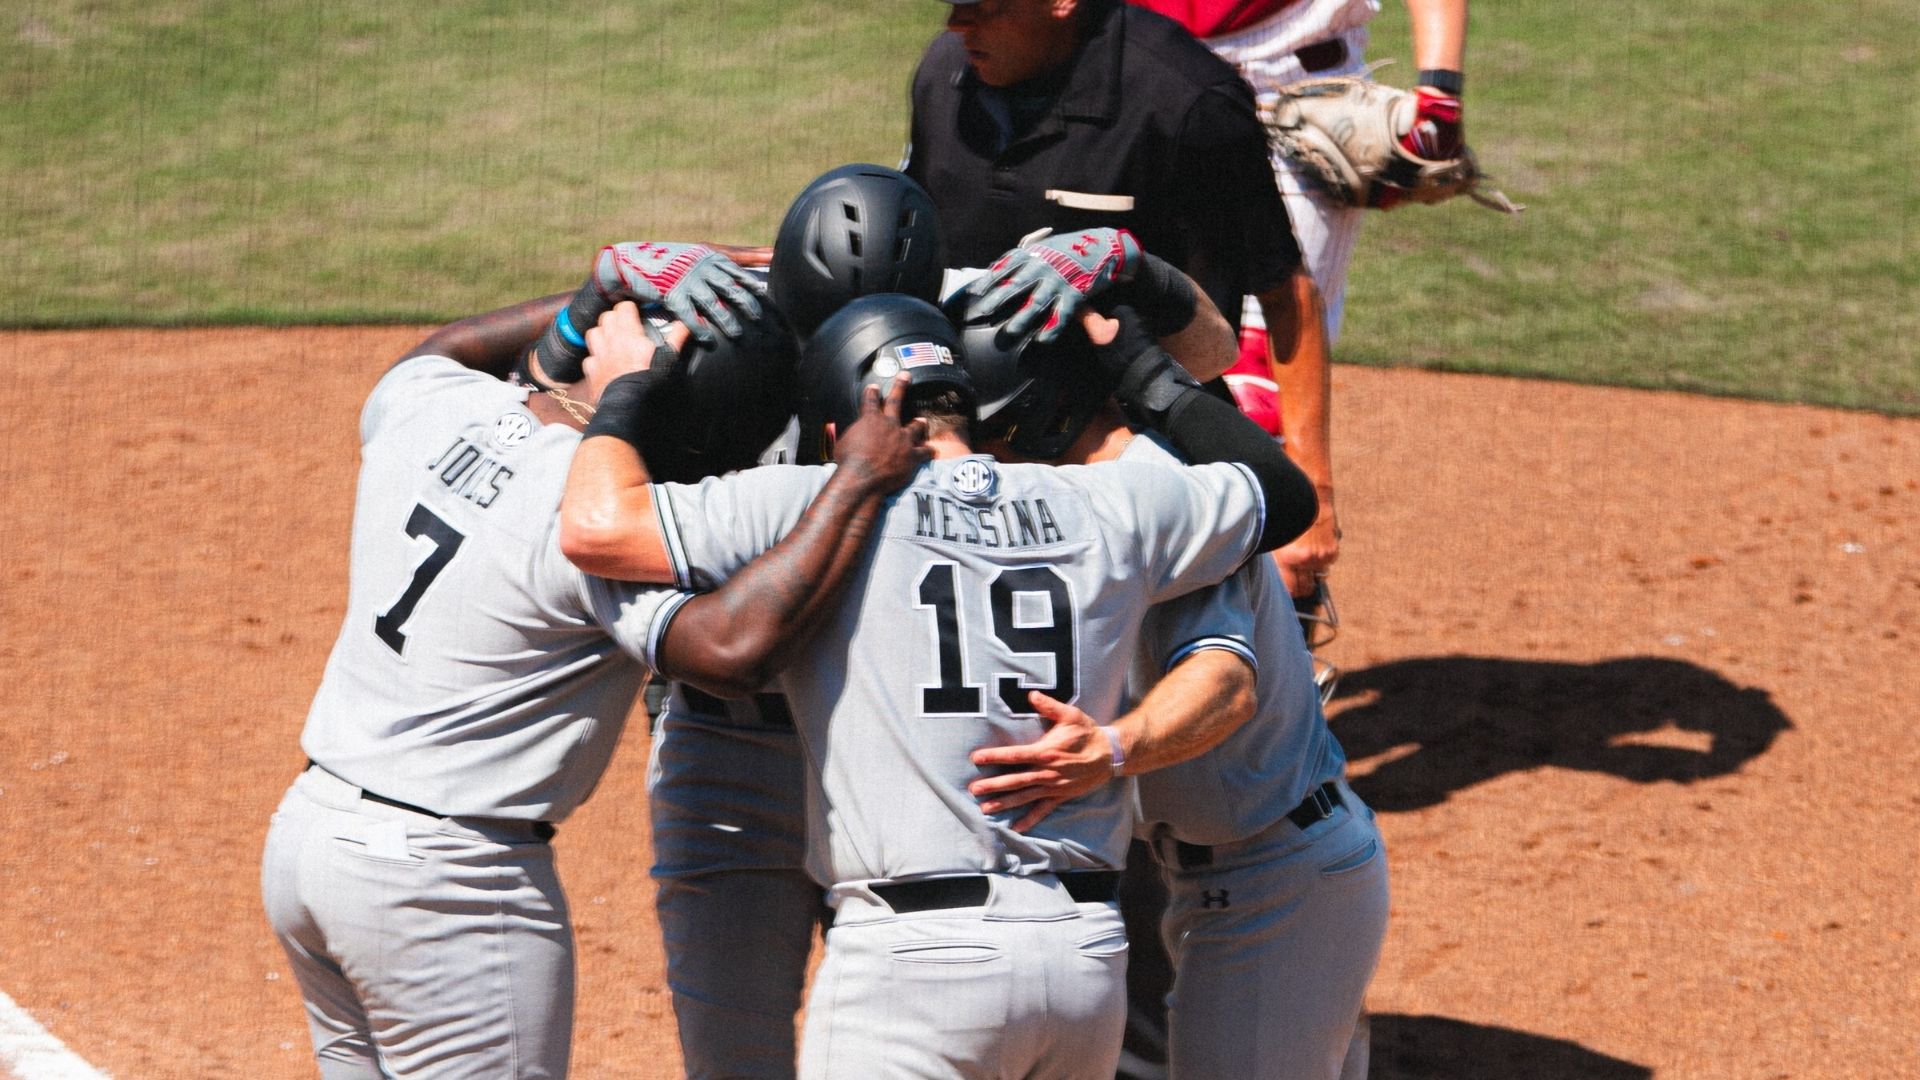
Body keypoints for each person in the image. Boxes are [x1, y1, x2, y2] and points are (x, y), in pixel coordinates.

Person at [559, 293, 1319, 1078]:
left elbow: (594, 526)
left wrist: (624, 390)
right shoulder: (1111, 504)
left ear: (839, 426)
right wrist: (1145, 370)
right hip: (1083, 959)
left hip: (912, 970)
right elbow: (1285, 498)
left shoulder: (814, 507)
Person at [258, 244, 930, 1079]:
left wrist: (595, 293)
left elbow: (444, 347)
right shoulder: (594, 534)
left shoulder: (438, 406)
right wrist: (856, 482)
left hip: (309, 844)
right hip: (448, 891)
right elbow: (730, 650)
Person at [952, 296, 1391, 1080]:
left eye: (985, 434)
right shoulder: (1113, 489)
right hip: (1252, 870)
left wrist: (1110, 751)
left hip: (1275, 886)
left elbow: (1226, 686)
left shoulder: (1155, 495)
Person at [905, 0, 1342, 601]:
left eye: (983, 8)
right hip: (982, 444)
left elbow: (1287, 294)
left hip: (1134, 453)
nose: (957, 25)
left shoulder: (1188, 102)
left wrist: (1315, 497)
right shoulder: (944, 75)